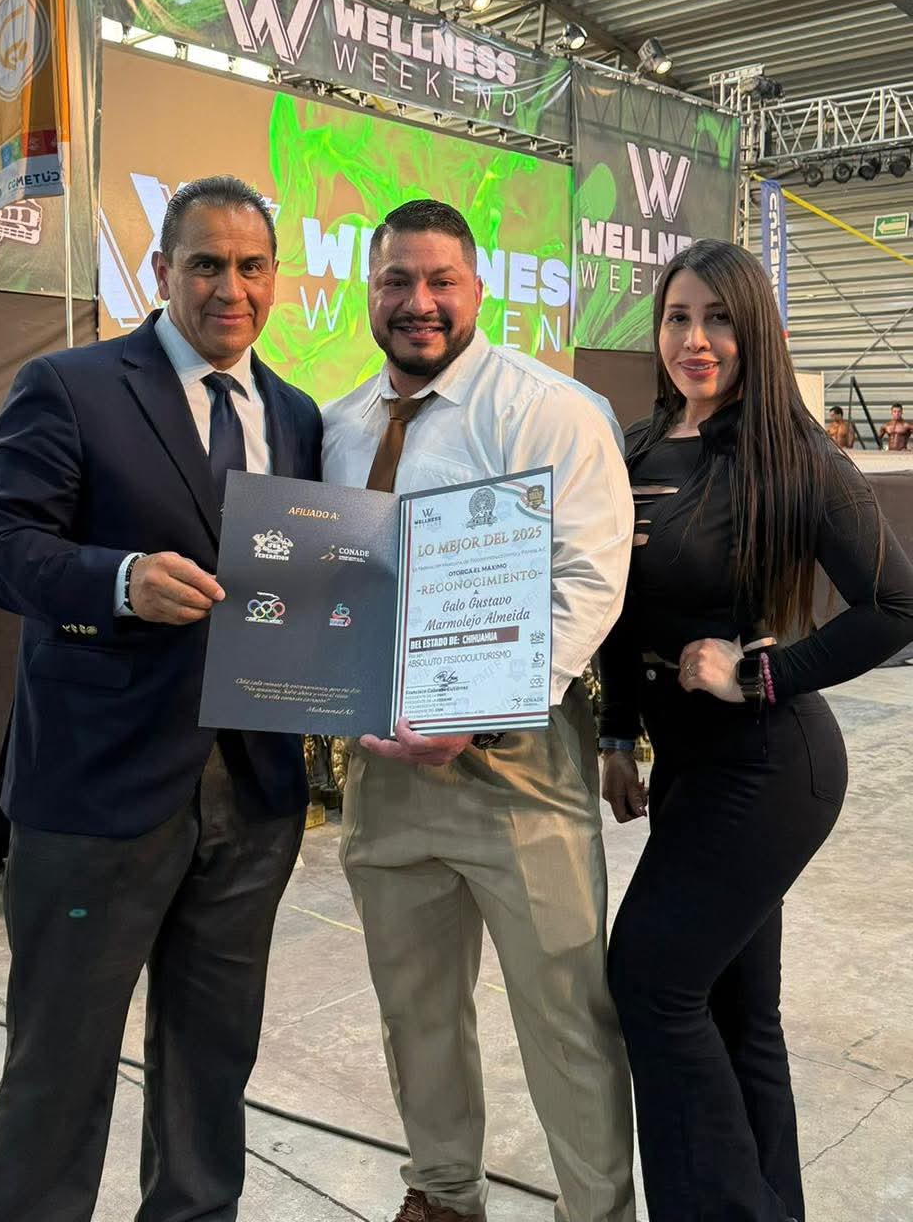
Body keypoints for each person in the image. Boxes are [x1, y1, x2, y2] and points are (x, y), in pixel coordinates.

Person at [0, 176, 322, 1222]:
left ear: (276, 278)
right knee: (61, 1063)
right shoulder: (70, 386)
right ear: (160, 271)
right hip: (98, 789)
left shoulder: (297, 415)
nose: (229, 288)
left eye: (251, 266)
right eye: (205, 264)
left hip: (253, 793)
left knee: (213, 1062)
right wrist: (118, 581)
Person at [322, 198, 637, 1222]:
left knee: (566, 1013)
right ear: (369, 291)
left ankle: (597, 1210)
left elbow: (588, 580)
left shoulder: (551, 410)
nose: (418, 303)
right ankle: (444, 1192)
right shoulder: (337, 427)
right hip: (382, 766)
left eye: (440, 281)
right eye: (396, 281)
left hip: (516, 764)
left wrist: (489, 709)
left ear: (477, 289)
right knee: (413, 1005)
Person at [597, 239, 913, 1222]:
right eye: (678, 317)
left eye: (719, 318)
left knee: (650, 984)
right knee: (738, 1015)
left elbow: (896, 606)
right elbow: (615, 610)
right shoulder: (637, 447)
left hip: (770, 769)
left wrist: (761, 674)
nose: (695, 339)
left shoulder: (793, 454)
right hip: (686, 769)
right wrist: (616, 734)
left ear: (757, 332)